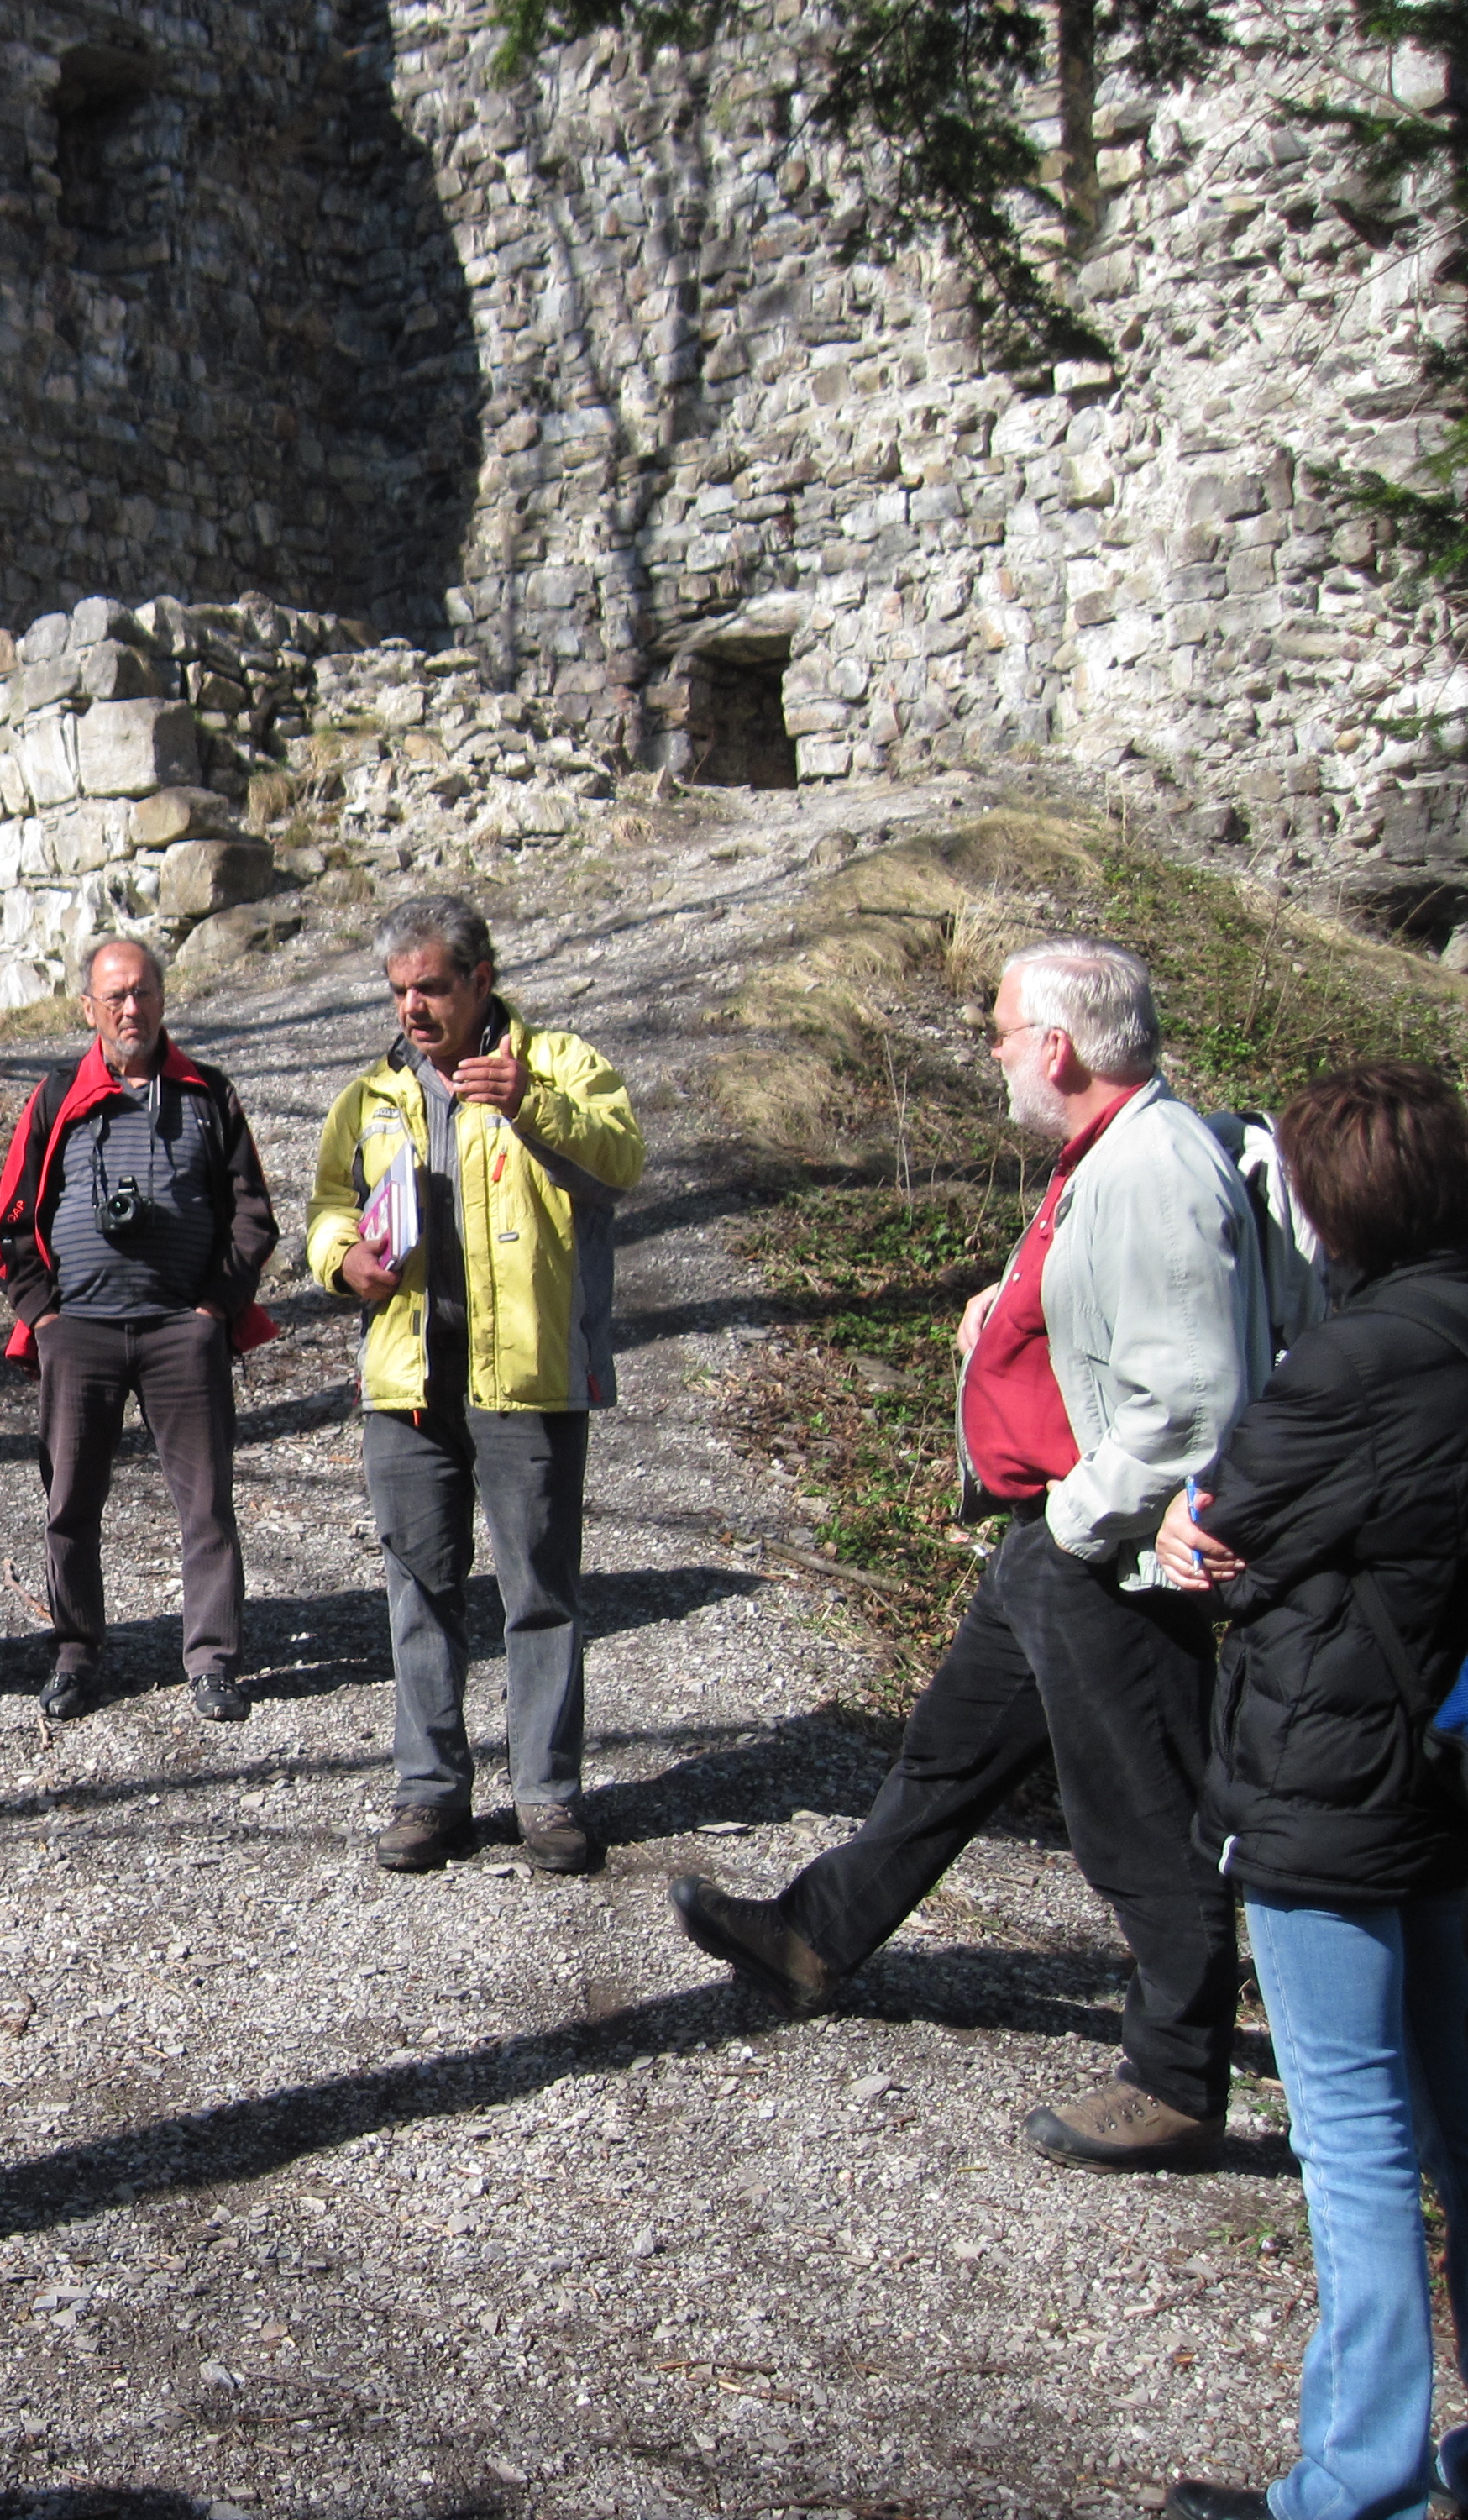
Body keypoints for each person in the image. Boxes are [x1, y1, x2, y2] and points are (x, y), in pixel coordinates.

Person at [668, 937, 1272, 2169]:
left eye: (1000, 1032)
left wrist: (1079, 1516)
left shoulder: (1154, 1166)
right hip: (1053, 1543)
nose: (992, 1052)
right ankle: (812, 1940)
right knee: (944, 1757)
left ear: (1057, 1045)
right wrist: (1006, 1314)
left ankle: (1175, 2083)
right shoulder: (1104, 1154)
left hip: (1102, 1552)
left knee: (1142, 1821)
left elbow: (1193, 1400)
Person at [1152, 1065, 1468, 2520]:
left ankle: (1357, 2483)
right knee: (1456, 2118)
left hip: (1333, 1779)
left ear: (1330, 1207)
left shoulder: (1351, 1363)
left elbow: (1222, 1532)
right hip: (1447, 1767)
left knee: (1351, 2134)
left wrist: (1191, 1527)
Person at [306, 893, 644, 1876]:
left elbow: (621, 1162)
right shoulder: (369, 1097)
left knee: (539, 1594)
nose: (412, 1008)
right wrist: (341, 1261)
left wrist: (530, 1102)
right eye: (397, 992)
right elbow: (327, 1208)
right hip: (407, 1383)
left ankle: (547, 1797)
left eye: (430, 988)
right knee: (418, 1592)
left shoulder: (559, 1065)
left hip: (526, 1379)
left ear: (480, 980)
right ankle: (429, 1794)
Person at [0, 937, 280, 1724]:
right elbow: (8, 1224)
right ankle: (75, 1657)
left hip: (183, 1332)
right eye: (113, 996)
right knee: (69, 1504)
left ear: (162, 999)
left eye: (142, 991)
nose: (130, 1008)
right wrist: (44, 1318)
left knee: (206, 1505)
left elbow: (253, 1217)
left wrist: (214, 1309)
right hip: (79, 1333)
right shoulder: (56, 1098)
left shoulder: (209, 1094)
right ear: (89, 1008)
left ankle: (213, 1663)